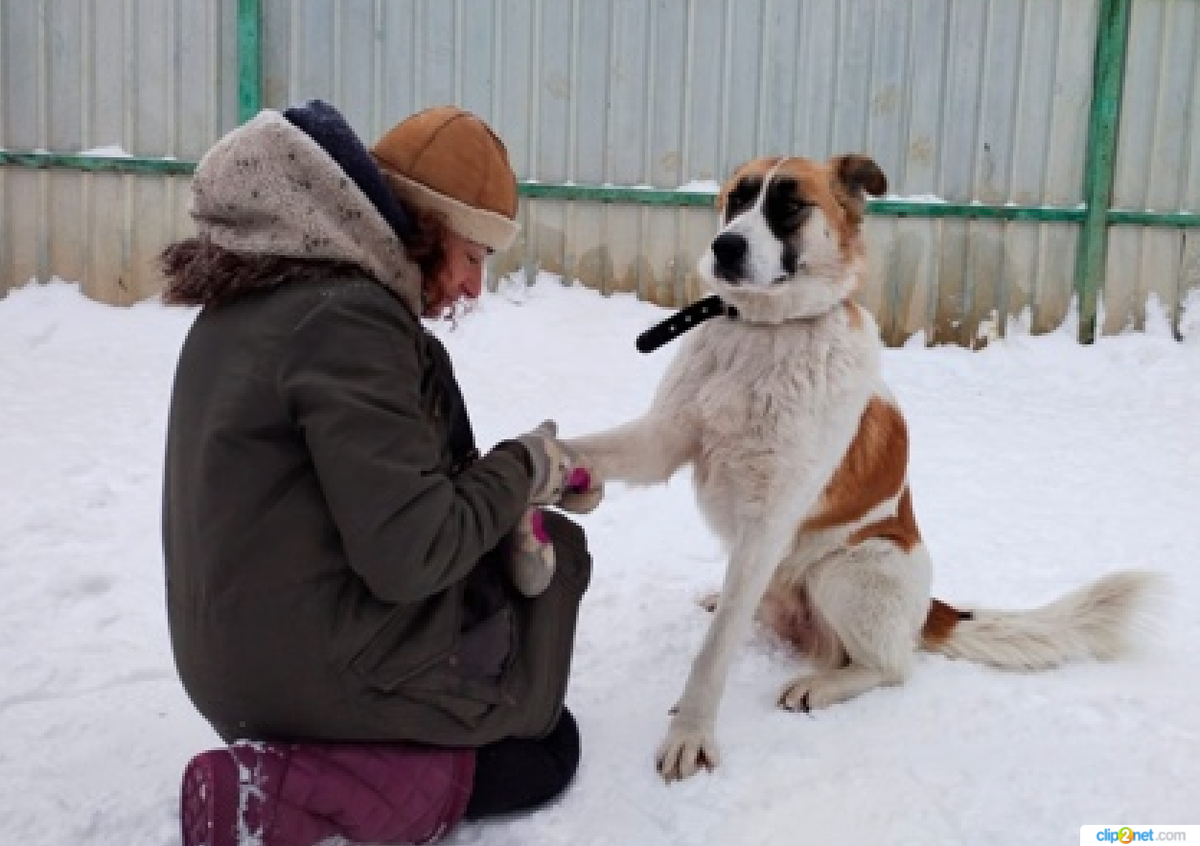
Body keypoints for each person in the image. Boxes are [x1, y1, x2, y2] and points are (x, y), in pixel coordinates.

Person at [160, 100, 603, 846]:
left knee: (513, 569)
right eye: (472, 256)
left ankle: (321, 759)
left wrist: (503, 488)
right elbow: (414, 553)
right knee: (543, 747)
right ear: (422, 231)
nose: (474, 288)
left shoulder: (280, 295)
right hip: (293, 671)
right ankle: (285, 794)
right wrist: (524, 465)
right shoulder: (347, 321)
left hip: (238, 654)